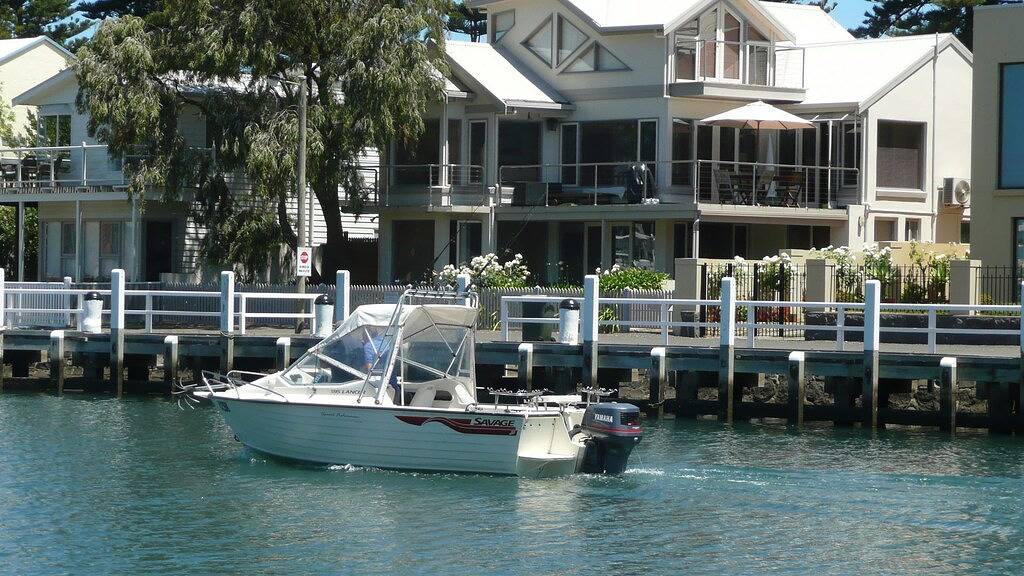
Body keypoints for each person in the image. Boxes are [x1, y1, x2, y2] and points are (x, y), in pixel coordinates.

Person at [363, 330, 402, 405]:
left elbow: (369, 368)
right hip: (394, 385)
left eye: (363, 338)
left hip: (380, 388)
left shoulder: (368, 346)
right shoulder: (388, 343)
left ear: (366, 337)